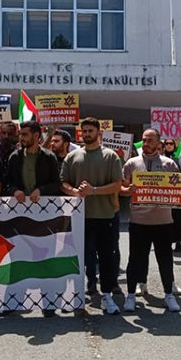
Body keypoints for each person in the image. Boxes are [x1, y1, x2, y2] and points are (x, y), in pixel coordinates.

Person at [61, 117, 125, 315]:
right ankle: (77, 295)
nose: (87, 134)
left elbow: (117, 184)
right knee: (79, 257)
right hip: (80, 217)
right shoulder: (72, 157)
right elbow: (63, 182)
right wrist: (74, 192)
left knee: (106, 257)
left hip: (106, 216)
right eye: (84, 131)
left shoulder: (110, 156)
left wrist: (94, 190)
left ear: (99, 133)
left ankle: (106, 295)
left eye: (90, 130)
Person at [120, 129, 181, 313]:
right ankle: (131, 295)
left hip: (163, 221)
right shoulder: (131, 163)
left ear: (159, 143)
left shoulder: (170, 164)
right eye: (144, 140)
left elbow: (177, 190)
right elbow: (121, 187)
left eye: (150, 140)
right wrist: (127, 190)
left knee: (165, 259)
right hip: (139, 221)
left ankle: (168, 295)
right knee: (135, 259)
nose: (145, 143)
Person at [4, 120, 61, 203]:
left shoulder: (48, 157)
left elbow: (56, 184)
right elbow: (7, 183)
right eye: (20, 134)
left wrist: (40, 191)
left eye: (25, 134)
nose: (21, 138)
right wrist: (15, 191)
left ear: (36, 135)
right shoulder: (15, 157)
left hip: (44, 207)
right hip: (19, 208)